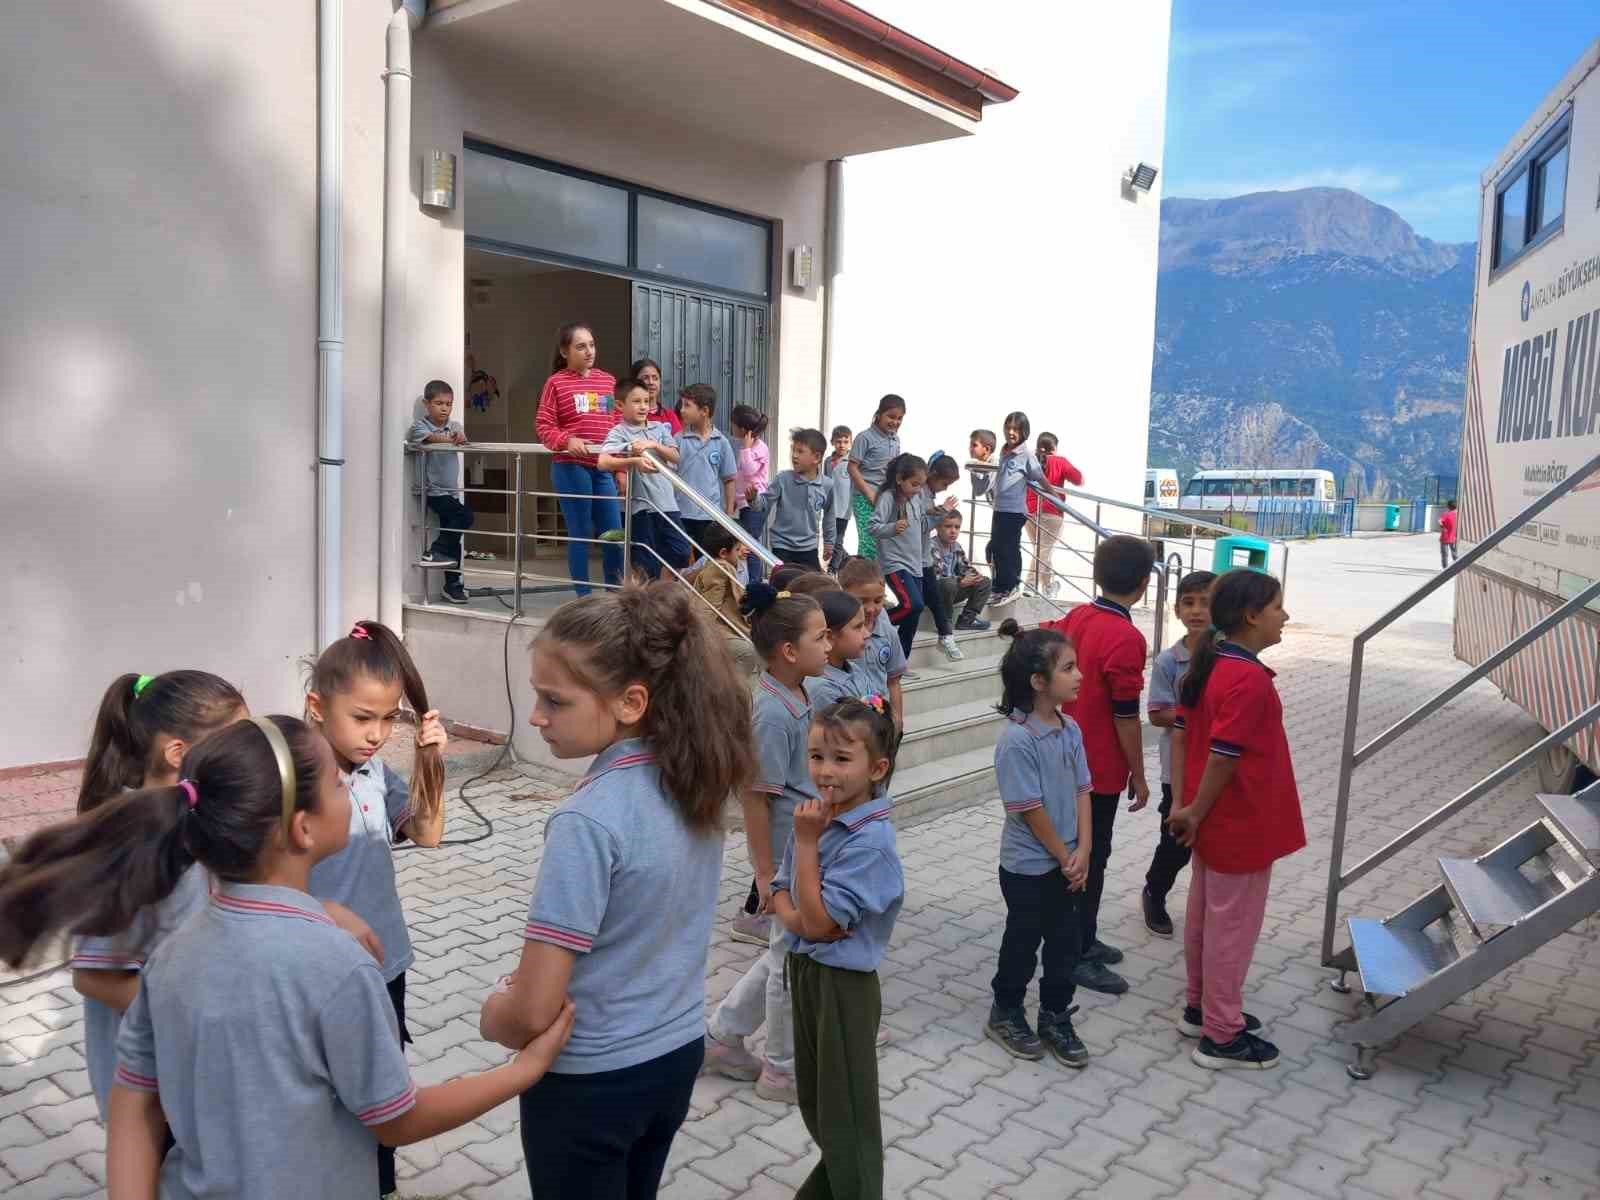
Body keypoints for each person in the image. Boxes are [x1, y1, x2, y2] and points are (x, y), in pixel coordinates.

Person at [0, 717, 572, 1199]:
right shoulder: (338, 967)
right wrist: (522, 1071)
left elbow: (133, 1101)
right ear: (302, 828)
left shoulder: (173, 951)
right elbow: (398, 1120)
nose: (350, 787)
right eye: (335, 781)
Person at [477, 585, 753, 1195]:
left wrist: (494, 1014)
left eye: (555, 700)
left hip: (591, 1079)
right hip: (675, 1053)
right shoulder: (693, 779)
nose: (536, 716)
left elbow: (533, 1010)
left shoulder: (588, 820)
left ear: (631, 701)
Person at [56, 671, 246, 1121]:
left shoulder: (198, 821)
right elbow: (95, 977)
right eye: (233, 743)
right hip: (153, 1094)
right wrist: (198, 1020)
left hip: (194, 1073)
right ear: (178, 753)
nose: (245, 756)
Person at [304, 619, 448, 1197]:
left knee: (382, 1085)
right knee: (321, 1088)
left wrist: (430, 762)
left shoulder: (374, 772)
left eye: (389, 719)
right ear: (317, 705)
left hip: (384, 963)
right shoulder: (293, 778)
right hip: (315, 968)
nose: (376, 733)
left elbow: (428, 835)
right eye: (363, 718)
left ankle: (379, 1185)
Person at [1169, 569, 1304, 1070]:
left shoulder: (1211, 666)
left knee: (1208, 917)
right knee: (1232, 928)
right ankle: (1221, 1036)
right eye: (1277, 608)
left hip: (1213, 819)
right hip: (1238, 820)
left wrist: (1185, 807)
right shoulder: (1245, 678)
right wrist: (1194, 810)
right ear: (1251, 617)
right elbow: (1224, 755)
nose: (1284, 617)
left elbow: (1182, 736)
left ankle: (1201, 1007)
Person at [703, 584, 830, 1104]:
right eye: (821, 638)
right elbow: (755, 799)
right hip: (785, 858)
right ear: (789, 652)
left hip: (804, 849)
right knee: (786, 962)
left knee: (785, 951)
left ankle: (721, 1036)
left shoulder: (801, 694)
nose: (830, 646)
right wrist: (762, 874)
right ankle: (780, 1070)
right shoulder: (772, 713)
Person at [773, 697, 904, 1199]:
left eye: (842, 759)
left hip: (844, 988)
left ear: (877, 768)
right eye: (816, 756)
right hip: (805, 972)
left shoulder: (868, 842)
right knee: (819, 1105)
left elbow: (818, 918)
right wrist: (800, 919)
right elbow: (781, 893)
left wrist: (807, 851)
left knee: (847, 1117)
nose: (825, 771)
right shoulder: (815, 816)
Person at [1044, 534, 1155, 996]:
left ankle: (1081, 938)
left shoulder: (1078, 617)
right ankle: (1073, 953)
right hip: (1099, 768)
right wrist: (1141, 774)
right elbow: (1125, 715)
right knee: (1090, 858)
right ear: (1145, 583)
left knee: (1078, 852)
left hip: (1064, 760)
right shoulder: (1127, 637)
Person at [984, 620, 1093, 1068]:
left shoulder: (1070, 730)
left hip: (1068, 860)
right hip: (1030, 867)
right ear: (1038, 681)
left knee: (1066, 942)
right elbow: (1029, 810)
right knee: (1023, 941)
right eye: (1069, 668)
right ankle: (1006, 1012)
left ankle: (1055, 1015)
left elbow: (1084, 790)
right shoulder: (1017, 740)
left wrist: (1085, 849)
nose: (1079, 675)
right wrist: (1065, 854)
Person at [1142, 570, 1216, 938]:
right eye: (1189, 603)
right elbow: (1157, 713)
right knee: (1176, 843)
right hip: (1180, 771)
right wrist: (1201, 715)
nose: (1197, 611)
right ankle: (1154, 892)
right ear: (1177, 609)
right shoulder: (1170, 662)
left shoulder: (1228, 657)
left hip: (1219, 768)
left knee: (1216, 842)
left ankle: (1210, 909)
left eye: (1206, 602)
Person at [536, 322, 622, 595]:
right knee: (581, 533)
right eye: (581, 346)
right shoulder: (556, 382)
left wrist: (621, 467)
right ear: (564, 351)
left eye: (592, 345)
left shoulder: (608, 381)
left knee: (614, 535)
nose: (589, 351)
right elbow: (543, 425)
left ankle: (616, 596)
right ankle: (583, 598)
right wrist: (566, 440)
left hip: (603, 467)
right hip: (571, 467)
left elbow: (617, 423)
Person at [598, 376, 690, 580]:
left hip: (667, 505)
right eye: (636, 401)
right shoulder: (619, 432)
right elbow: (602, 461)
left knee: (682, 551)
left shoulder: (660, 428)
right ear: (620, 405)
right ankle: (648, 603)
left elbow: (676, 456)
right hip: (641, 509)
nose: (643, 406)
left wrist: (653, 445)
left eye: (646, 401)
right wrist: (633, 462)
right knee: (647, 566)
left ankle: (657, 577)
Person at [871, 453, 957, 661]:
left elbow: (923, 527)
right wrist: (892, 527)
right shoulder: (888, 498)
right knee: (913, 605)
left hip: (914, 564)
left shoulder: (916, 499)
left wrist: (943, 513)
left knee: (913, 616)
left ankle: (900, 662)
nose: (918, 490)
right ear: (900, 479)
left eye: (920, 485)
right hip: (894, 563)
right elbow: (873, 527)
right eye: (914, 484)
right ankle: (872, 625)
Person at [989, 412, 1064, 609]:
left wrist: (1055, 497)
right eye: (1008, 428)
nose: (1011, 432)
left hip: (1014, 511)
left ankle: (1011, 586)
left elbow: (1040, 478)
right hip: (999, 507)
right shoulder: (1003, 451)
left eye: (1016, 429)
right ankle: (999, 587)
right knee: (995, 547)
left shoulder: (1026, 455)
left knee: (1009, 548)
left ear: (1024, 432)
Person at [409, 380, 474, 605]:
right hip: (433, 492)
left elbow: (460, 437)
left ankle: (452, 585)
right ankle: (434, 551)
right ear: (427, 404)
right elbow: (432, 439)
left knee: (454, 538)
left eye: (449, 404)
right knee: (465, 516)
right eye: (439, 403)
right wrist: (451, 439)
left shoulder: (454, 425)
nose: (444, 408)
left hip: (451, 492)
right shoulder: (420, 427)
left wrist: (460, 437)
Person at [840, 558, 907, 730]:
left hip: (879, 717)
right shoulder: (837, 636)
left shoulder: (889, 634)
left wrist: (897, 718)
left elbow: (893, 681)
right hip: (848, 720)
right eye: (862, 601)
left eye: (878, 601)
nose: (871, 609)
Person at [754, 428, 830, 573]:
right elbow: (763, 505)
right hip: (782, 546)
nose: (794, 456)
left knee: (811, 587)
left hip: (809, 548)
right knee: (783, 588)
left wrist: (829, 542)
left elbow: (829, 517)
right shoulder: (783, 479)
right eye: (793, 450)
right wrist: (753, 499)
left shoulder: (827, 485)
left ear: (817, 457)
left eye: (800, 451)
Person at [676, 384, 738, 549]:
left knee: (706, 560)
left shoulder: (721, 442)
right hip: (682, 513)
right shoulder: (678, 440)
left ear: (704, 411)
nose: (682, 410)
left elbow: (729, 479)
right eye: (682, 405)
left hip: (711, 515)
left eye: (687, 406)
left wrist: (729, 514)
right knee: (682, 560)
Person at [1025, 432, 1084, 598]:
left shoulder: (1029, 459)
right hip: (1052, 512)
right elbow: (1079, 479)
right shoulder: (1060, 461)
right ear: (1054, 447)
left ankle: (1049, 586)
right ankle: (1030, 584)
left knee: (1042, 550)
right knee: (1043, 550)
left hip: (1029, 511)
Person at [847, 395, 905, 561]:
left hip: (886, 498)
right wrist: (870, 494)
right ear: (879, 414)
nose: (895, 422)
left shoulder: (895, 439)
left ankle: (878, 582)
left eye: (900, 418)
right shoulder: (865, 437)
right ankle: (863, 582)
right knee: (868, 543)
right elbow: (852, 467)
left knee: (884, 545)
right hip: (865, 498)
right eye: (891, 416)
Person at [920, 452, 965, 661]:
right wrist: (942, 511)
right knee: (915, 605)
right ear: (933, 474)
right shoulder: (920, 492)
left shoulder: (928, 494)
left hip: (919, 557)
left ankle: (946, 635)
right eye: (945, 482)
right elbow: (921, 525)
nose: (946, 488)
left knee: (936, 599)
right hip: (911, 557)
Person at [806, 589, 868, 711]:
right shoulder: (823, 690)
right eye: (858, 627)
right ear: (829, 636)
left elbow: (877, 707)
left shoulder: (856, 670)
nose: (867, 633)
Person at [930, 510, 993, 631]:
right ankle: (944, 622)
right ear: (937, 527)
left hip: (953, 588)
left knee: (985, 582)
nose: (953, 531)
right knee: (948, 583)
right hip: (935, 592)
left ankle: (967, 620)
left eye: (957, 527)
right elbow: (936, 576)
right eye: (948, 526)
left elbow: (965, 567)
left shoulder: (956, 546)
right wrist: (960, 581)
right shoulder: (931, 546)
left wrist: (974, 576)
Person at [732, 405, 772, 578]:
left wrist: (746, 449)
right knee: (747, 543)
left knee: (750, 545)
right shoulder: (747, 447)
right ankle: (750, 580)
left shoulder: (758, 448)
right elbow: (741, 477)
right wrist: (735, 498)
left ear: (743, 429)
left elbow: (749, 471)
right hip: (745, 503)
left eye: (733, 424)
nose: (731, 427)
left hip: (755, 503)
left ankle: (755, 582)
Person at [824, 425, 853, 571]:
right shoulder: (828, 461)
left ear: (850, 443)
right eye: (838, 441)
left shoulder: (852, 463)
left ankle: (832, 569)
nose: (842, 445)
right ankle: (848, 560)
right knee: (831, 538)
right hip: (830, 507)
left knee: (838, 539)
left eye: (845, 441)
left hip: (844, 508)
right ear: (833, 442)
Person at [631, 356, 681, 435]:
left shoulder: (669, 416)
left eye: (655, 378)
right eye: (645, 378)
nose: (651, 382)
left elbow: (678, 445)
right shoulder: (628, 414)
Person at [1439, 498, 1459, 568]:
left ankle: (1445, 569)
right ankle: (1457, 566)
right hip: (1453, 537)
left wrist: (1442, 527)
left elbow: (1440, 521)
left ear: (1448, 506)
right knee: (1454, 552)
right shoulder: (1457, 515)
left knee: (1444, 554)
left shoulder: (1446, 514)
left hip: (1445, 537)